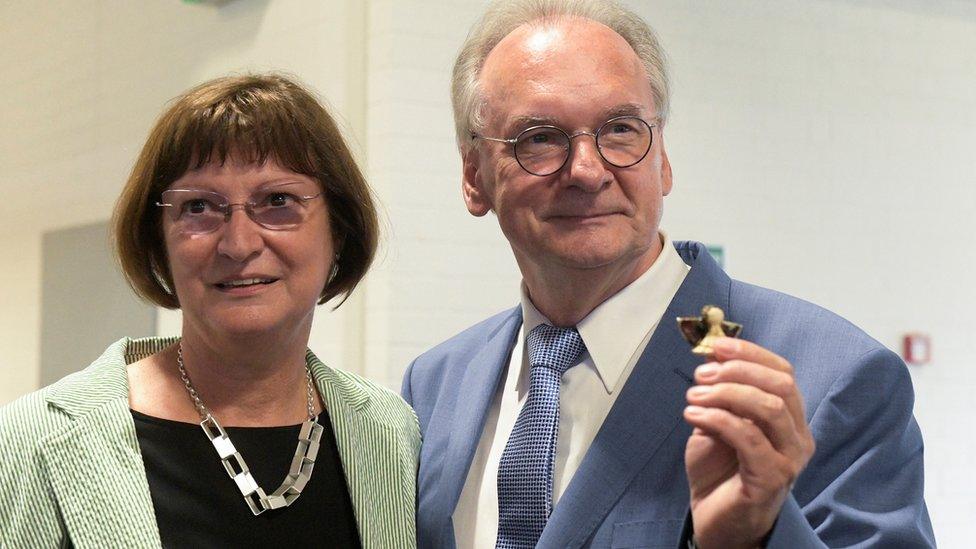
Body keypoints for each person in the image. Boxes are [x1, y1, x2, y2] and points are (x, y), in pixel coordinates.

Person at [401, 1, 935, 548]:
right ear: (473, 178)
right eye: (539, 137)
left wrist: (754, 538)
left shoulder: (830, 378)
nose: (587, 170)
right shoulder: (437, 386)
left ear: (664, 161)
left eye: (621, 129)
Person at [0, 74, 419, 548]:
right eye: (198, 206)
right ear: (158, 239)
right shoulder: (31, 441)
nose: (239, 244)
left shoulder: (391, 433)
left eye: (278, 201)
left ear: (338, 230)